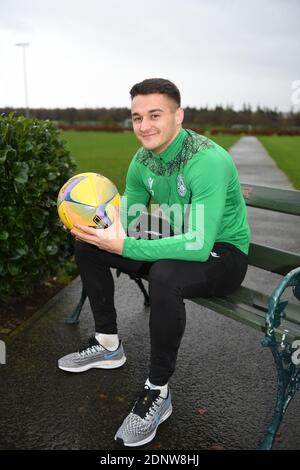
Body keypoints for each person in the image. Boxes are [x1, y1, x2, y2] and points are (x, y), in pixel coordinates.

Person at [58, 78, 250, 447]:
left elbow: (196, 245)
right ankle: (108, 342)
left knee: (164, 274)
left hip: (223, 253)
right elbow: (129, 213)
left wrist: (124, 246)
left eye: (154, 115)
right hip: (183, 238)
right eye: (136, 117)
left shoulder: (206, 160)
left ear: (178, 115)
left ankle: (157, 391)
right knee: (88, 246)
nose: (143, 126)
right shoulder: (143, 158)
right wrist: (96, 228)